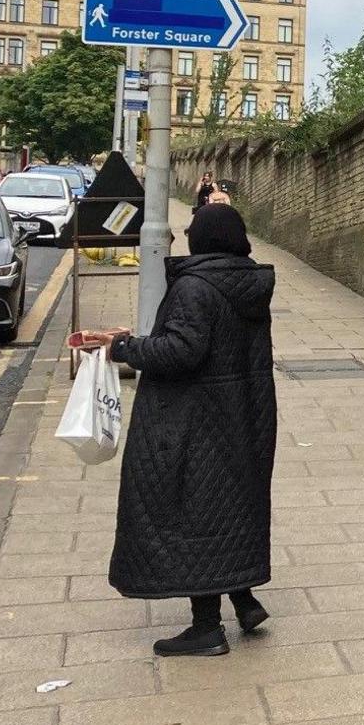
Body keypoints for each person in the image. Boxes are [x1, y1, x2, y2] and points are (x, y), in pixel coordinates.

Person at [83, 203, 279, 657]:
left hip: (198, 419)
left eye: (193, 229)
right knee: (233, 508)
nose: (186, 233)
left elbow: (182, 351)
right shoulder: (246, 279)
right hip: (244, 413)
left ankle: (207, 629)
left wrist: (125, 347)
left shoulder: (196, 285)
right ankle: (245, 602)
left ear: (204, 239)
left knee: (196, 513)